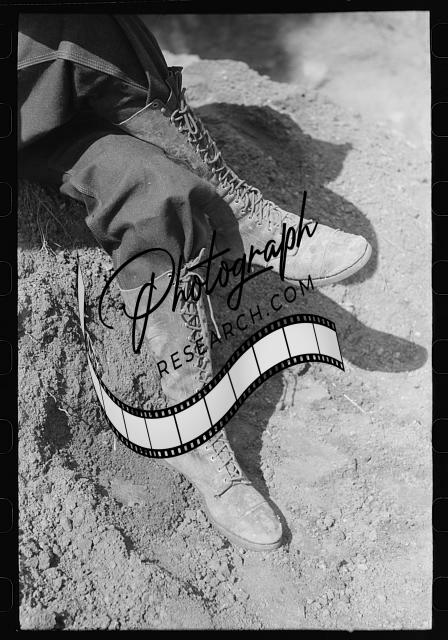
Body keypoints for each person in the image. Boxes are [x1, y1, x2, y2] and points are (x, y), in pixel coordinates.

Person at [18, 14, 372, 551]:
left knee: (155, 190)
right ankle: (237, 211)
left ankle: (190, 427)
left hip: (43, 108)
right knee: (74, 24)